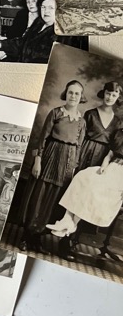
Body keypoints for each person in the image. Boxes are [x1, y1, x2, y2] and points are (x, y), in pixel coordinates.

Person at [19, 80, 86, 253]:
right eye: (70, 92)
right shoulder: (56, 113)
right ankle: (26, 237)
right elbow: (42, 138)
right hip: (49, 158)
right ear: (66, 93)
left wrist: (73, 168)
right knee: (38, 197)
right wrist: (38, 160)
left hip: (66, 165)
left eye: (77, 93)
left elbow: (79, 147)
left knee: (53, 202)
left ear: (81, 97)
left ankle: (37, 240)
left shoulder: (82, 122)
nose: (73, 96)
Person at [47, 128, 123, 246]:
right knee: (82, 177)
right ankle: (67, 220)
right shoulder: (120, 133)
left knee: (92, 190)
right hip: (110, 169)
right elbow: (109, 155)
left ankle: (71, 223)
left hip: (120, 179)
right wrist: (104, 167)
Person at [0, 0, 56, 64]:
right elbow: (23, 42)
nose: (46, 11)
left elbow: (38, 57)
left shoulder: (58, 33)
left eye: (51, 8)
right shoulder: (39, 23)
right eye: (43, 7)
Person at [76, 82, 123, 172]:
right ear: (103, 93)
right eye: (108, 94)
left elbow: (115, 147)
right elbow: (79, 137)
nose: (110, 98)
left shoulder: (118, 122)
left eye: (114, 95)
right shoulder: (90, 114)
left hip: (103, 157)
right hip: (85, 151)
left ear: (118, 98)